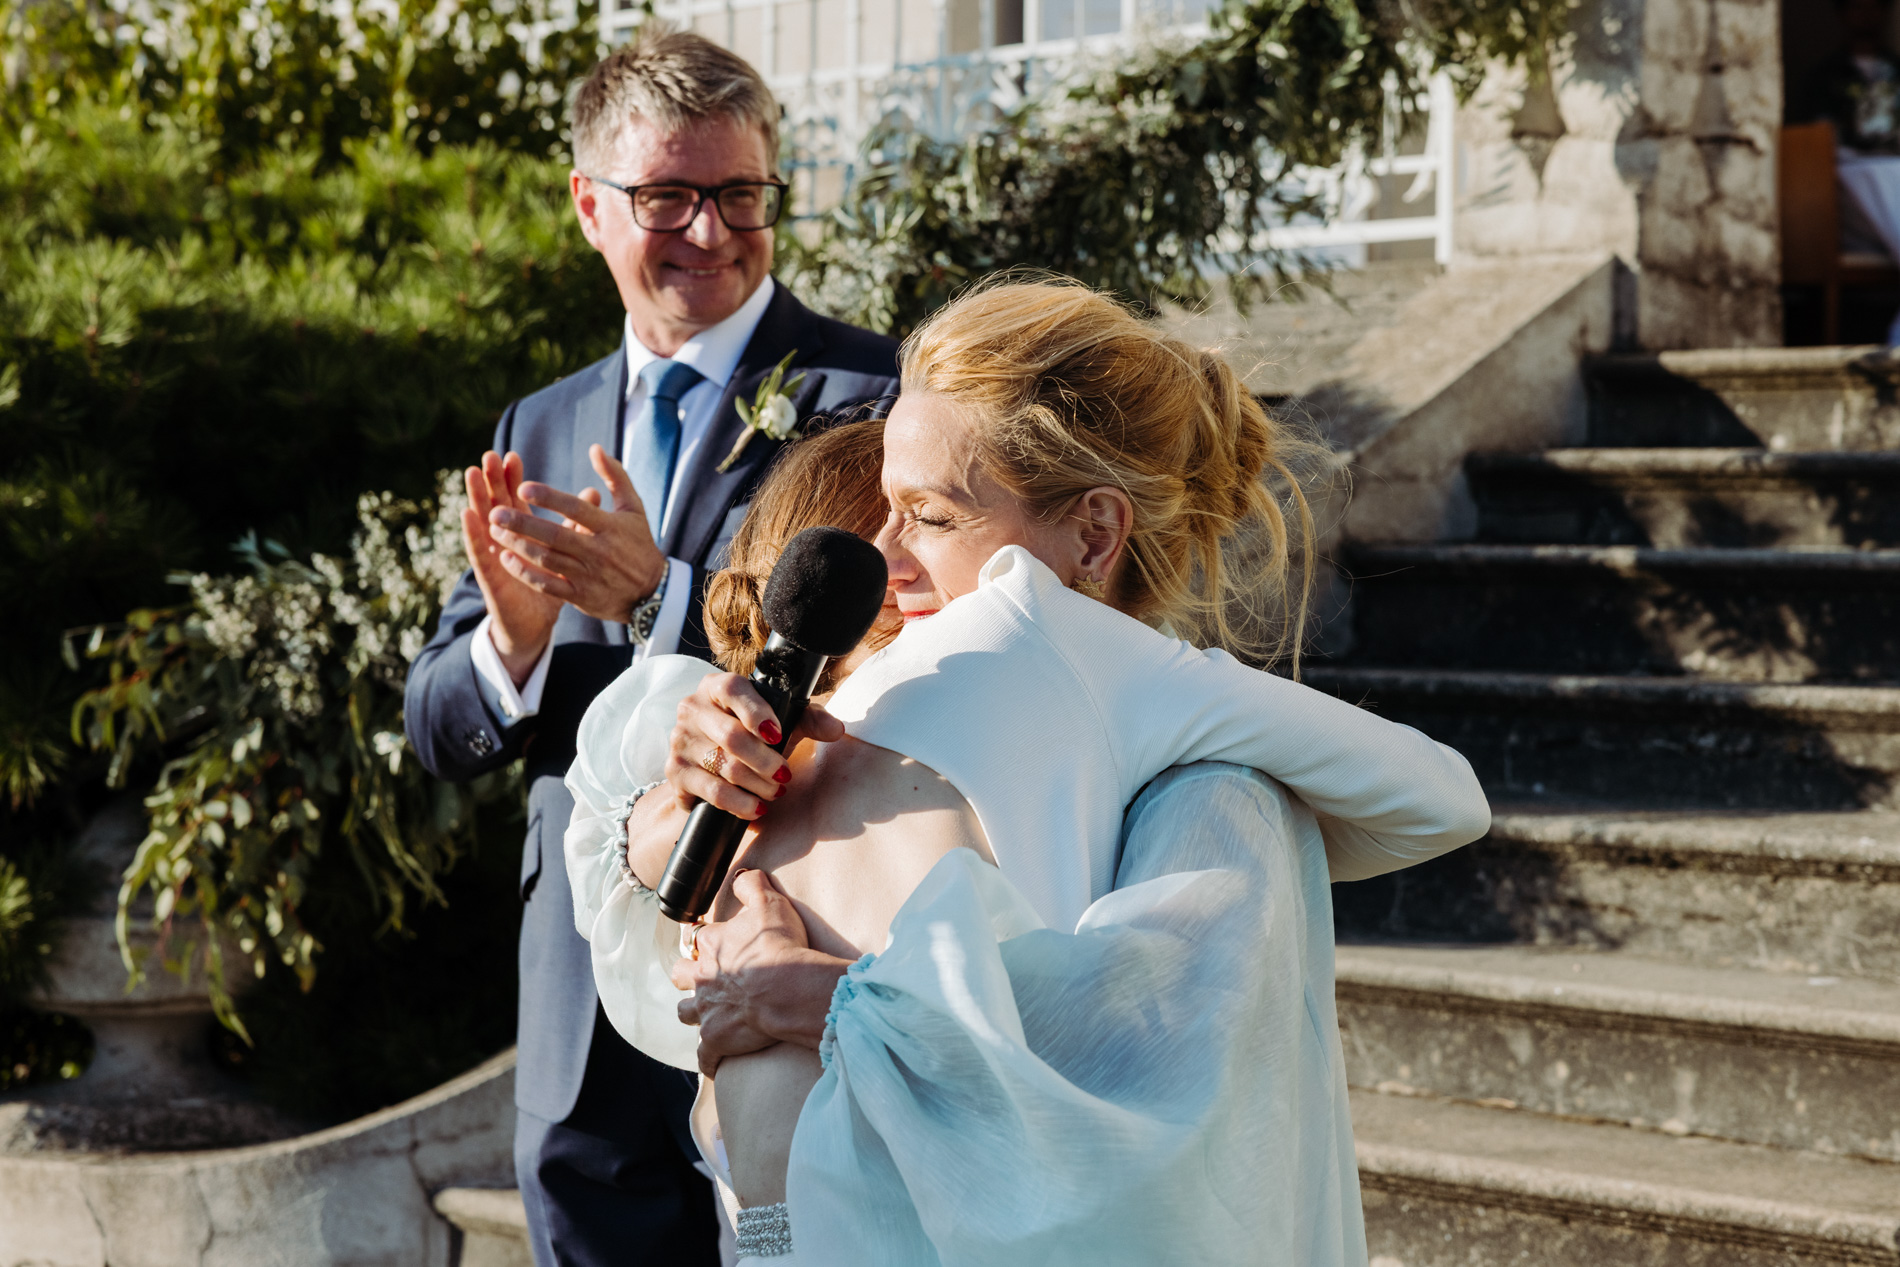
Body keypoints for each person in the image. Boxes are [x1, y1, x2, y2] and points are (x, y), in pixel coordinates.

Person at [566, 281, 1490, 1263]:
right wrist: (684, 797)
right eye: (885, 509)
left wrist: (842, 997)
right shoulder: (860, 694)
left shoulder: (1064, 650)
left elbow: (1439, 797)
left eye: (927, 515)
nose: (884, 557)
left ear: (1093, 534)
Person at [403, 28, 901, 1267]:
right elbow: (436, 720)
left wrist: (664, 597)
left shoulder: (867, 399)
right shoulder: (545, 418)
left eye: (740, 195)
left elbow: (882, 653)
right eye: (669, 196)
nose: (712, 231)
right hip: (584, 967)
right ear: (590, 205)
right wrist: (512, 653)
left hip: (783, 935)